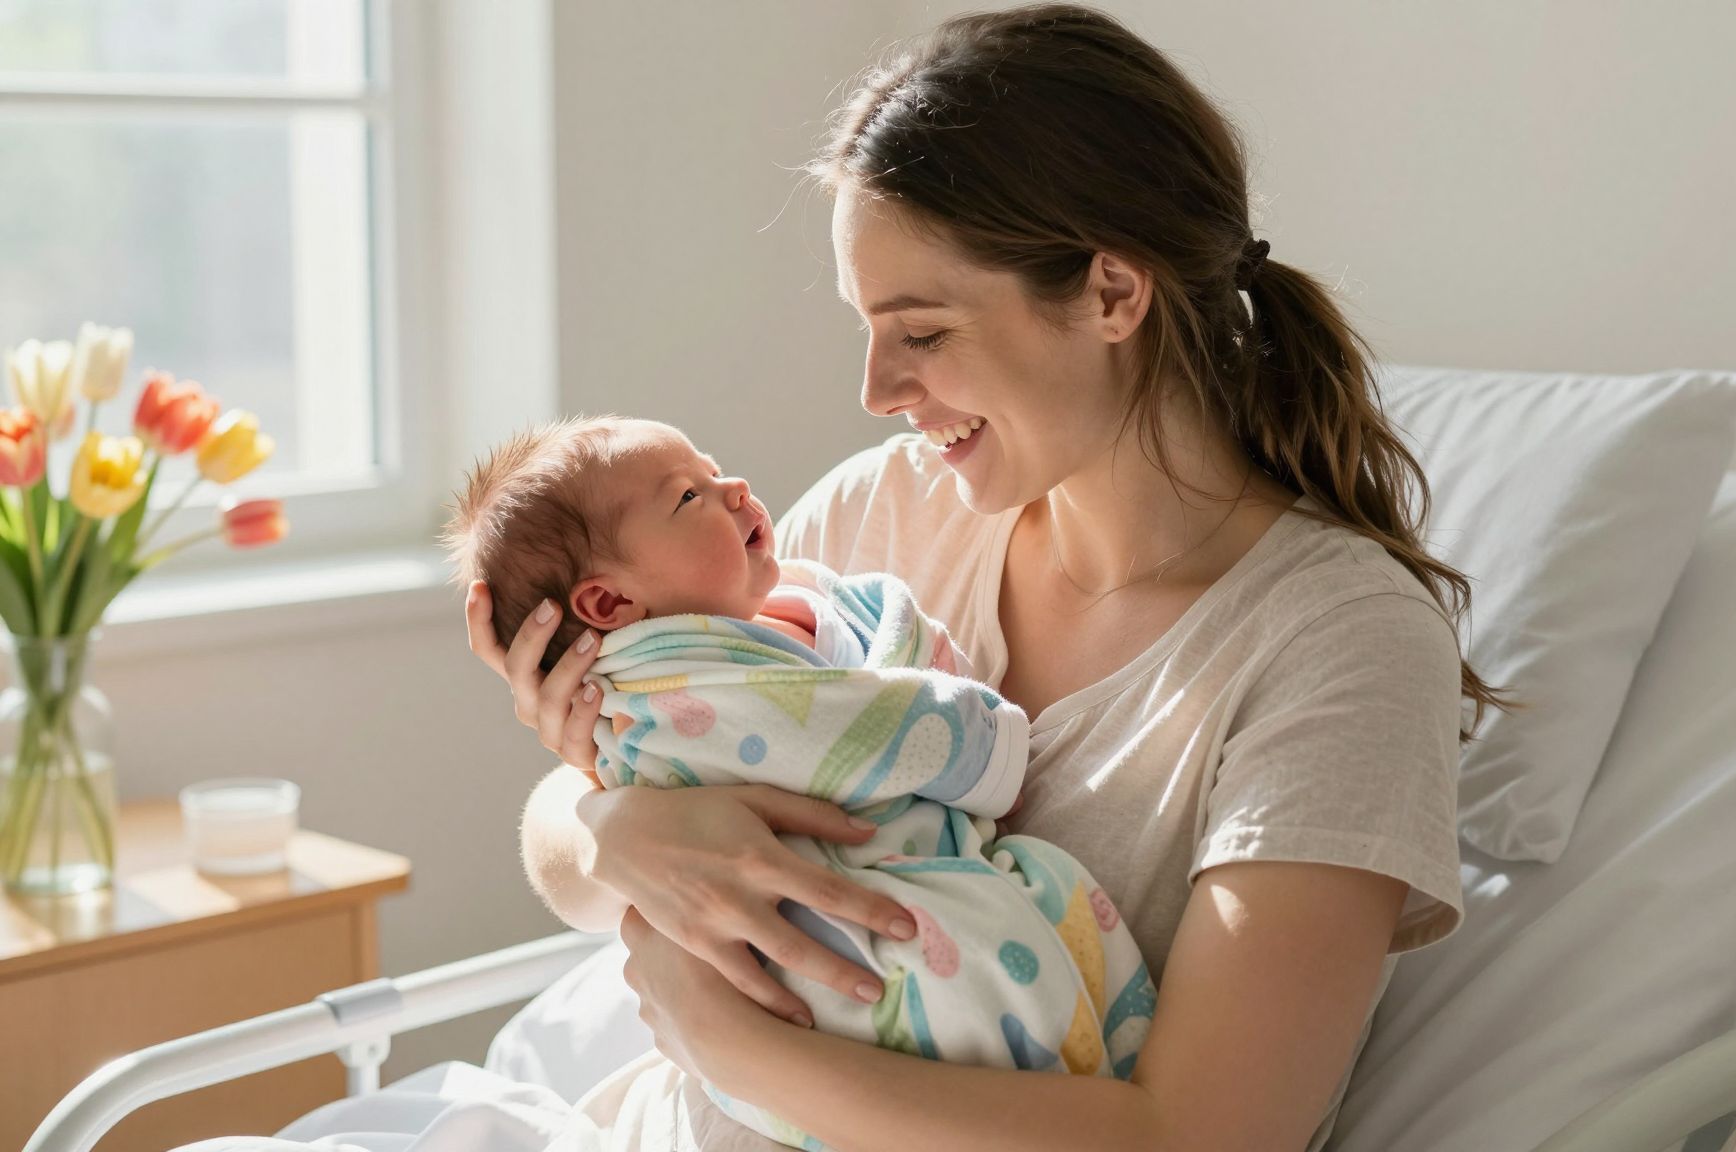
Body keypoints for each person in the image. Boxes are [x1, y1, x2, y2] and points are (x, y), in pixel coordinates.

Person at [470, 6, 1502, 1149]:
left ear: (1112, 294)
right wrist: (611, 826)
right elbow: (581, 846)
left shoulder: (1336, 645)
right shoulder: (889, 511)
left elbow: (1201, 1136)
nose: (875, 387)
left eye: (919, 330)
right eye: (867, 328)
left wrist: (727, 1044)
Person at [443, 415, 1155, 1148]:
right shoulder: (680, 683)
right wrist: (601, 806)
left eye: (714, 470)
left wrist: (722, 1036)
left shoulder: (776, 596)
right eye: (690, 497)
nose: (735, 489)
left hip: (781, 1054)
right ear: (610, 605)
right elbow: (850, 729)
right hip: (829, 975)